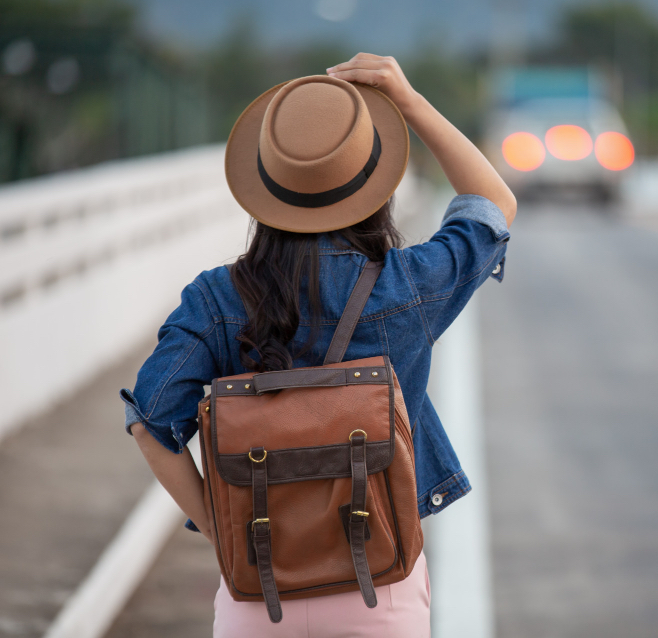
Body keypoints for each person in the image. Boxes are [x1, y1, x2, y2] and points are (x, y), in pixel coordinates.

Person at [120, 53, 516, 636]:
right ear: (376, 184)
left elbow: (150, 423)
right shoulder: (407, 285)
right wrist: (408, 100)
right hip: (379, 587)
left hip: (258, 590)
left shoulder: (214, 299)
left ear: (265, 186)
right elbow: (492, 205)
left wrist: (224, 533)